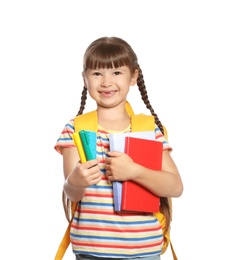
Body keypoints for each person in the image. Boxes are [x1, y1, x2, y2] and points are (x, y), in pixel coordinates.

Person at [54, 36, 183, 260]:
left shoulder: (148, 129)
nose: (106, 81)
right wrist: (75, 180)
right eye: (96, 73)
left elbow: (175, 187)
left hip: (144, 249)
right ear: (85, 79)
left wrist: (135, 171)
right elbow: (72, 193)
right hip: (92, 249)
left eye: (116, 72)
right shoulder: (75, 130)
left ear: (133, 76)